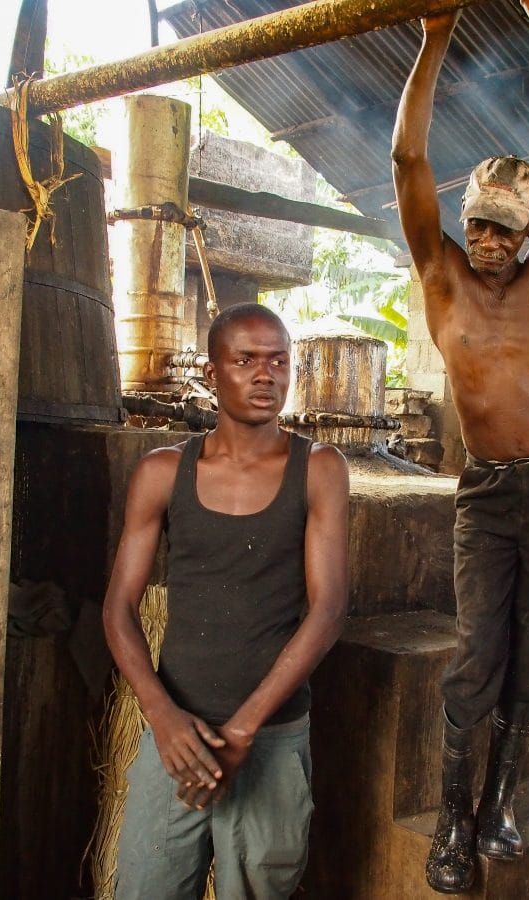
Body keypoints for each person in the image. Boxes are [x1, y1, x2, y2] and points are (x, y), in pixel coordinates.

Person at [391, 0, 529, 892]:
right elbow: (406, 158)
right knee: (479, 656)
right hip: (488, 495)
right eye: (476, 223)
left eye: (504, 229)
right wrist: (434, 38)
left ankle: (502, 802)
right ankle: (451, 823)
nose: (486, 242)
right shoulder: (441, 278)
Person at [102, 302, 350, 900]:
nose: (266, 376)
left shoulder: (318, 468)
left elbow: (328, 611)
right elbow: (118, 609)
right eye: (245, 360)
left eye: (279, 362)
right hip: (176, 738)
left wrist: (243, 730)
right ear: (212, 374)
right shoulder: (163, 471)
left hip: (270, 735)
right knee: (145, 887)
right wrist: (161, 717)